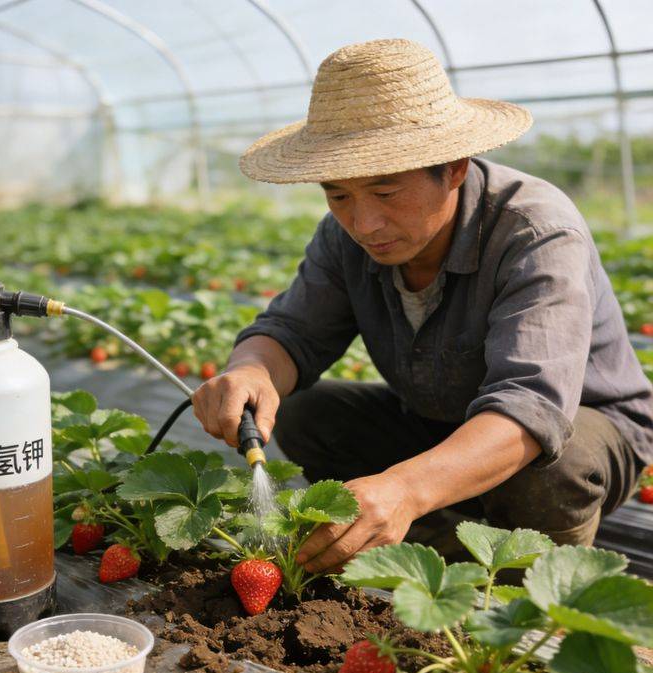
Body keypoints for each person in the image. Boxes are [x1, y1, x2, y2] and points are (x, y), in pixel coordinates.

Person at [191, 39, 653, 575]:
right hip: (443, 419)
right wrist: (251, 370)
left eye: (385, 193)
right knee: (305, 414)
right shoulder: (346, 239)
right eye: (338, 195)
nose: (364, 223)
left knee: (553, 468)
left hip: (577, 427)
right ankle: (425, 543)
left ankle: (536, 583)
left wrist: (406, 488)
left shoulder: (534, 231)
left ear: (453, 168)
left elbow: (530, 408)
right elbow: (291, 332)